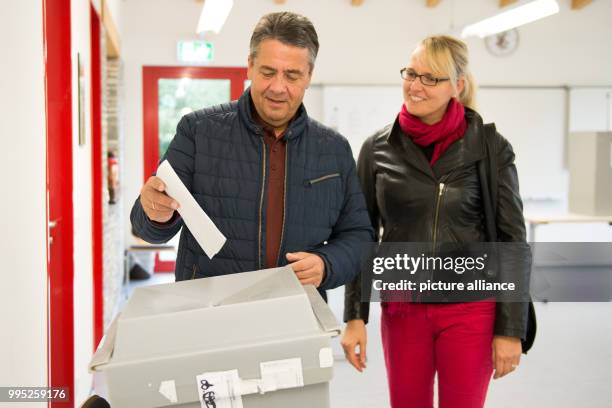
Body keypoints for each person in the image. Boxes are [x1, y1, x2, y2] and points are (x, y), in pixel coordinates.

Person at [342, 35, 533, 408]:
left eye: (431, 78)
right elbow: (361, 236)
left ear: (457, 86)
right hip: (403, 309)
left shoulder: (490, 148)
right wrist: (355, 316)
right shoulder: (377, 149)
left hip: (470, 310)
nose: (415, 86)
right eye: (411, 73)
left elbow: (513, 241)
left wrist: (510, 329)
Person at [130, 12, 374, 295]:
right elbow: (147, 227)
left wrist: (327, 264)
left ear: (309, 76)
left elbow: (358, 237)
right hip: (210, 315)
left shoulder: (334, 149)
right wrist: (154, 213)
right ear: (250, 65)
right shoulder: (198, 132)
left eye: (292, 75)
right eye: (268, 72)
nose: (278, 87)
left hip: (295, 315)